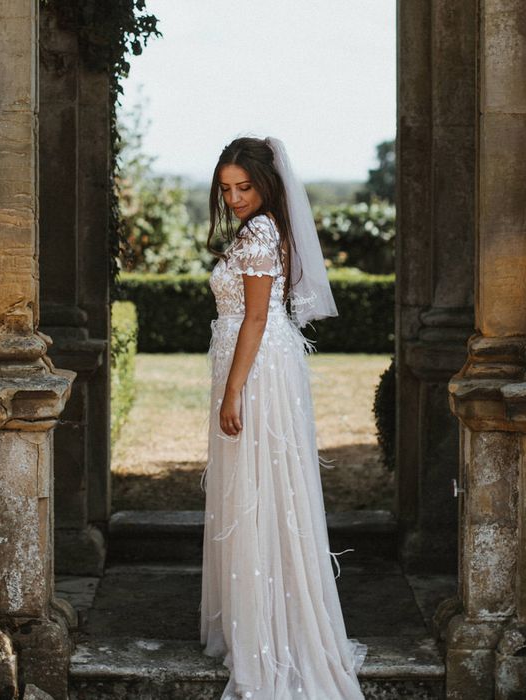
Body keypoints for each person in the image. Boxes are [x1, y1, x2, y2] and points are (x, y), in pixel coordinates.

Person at [200, 136, 367, 699]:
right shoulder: (260, 230)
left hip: (257, 369)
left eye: (244, 187)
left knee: (259, 492)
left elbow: (252, 319)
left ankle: (273, 635)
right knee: (259, 492)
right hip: (259, 362)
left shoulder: (262, 231)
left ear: (266, 185)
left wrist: (232, 392)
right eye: (226, 188)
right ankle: (262, 620)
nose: (235, 197)